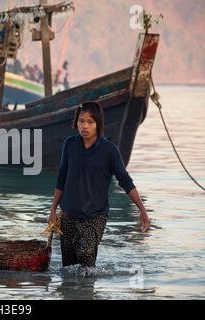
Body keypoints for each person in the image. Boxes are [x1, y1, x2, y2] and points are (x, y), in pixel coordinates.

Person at [48, 101, 150, 270]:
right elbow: (62, 178)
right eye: (81, 121)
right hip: (68, 215)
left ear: (98, 124)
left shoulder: (109, 150)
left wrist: (141, 208)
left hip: (95, 216)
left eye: (90, 122)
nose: (85, 126)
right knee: (68, 268)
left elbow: (125, 180)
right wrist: (53, 211)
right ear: (76, 122)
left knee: (86, 255)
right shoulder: (70, 144)